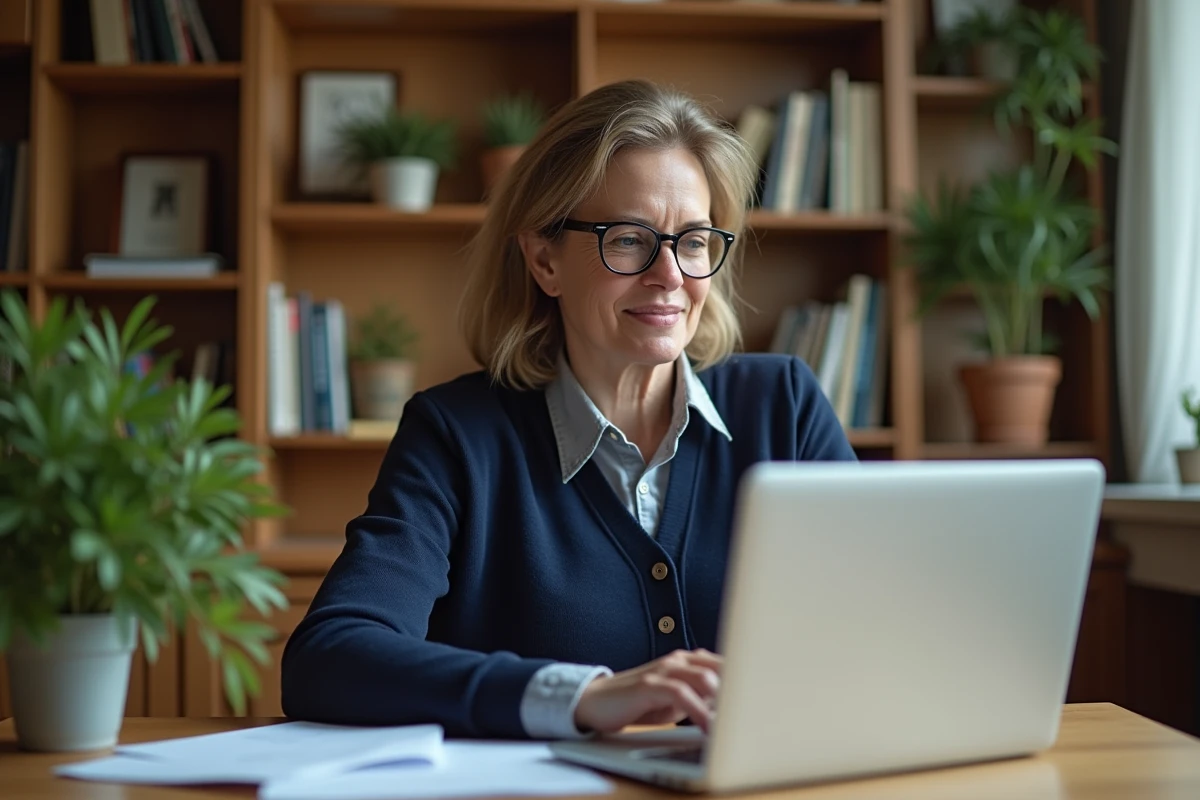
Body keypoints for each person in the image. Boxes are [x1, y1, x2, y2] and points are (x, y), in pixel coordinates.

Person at [280, 78, 857, 741]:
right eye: (630, 239)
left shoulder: (783, 406)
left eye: (693, 241)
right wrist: (580, 696)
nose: (670, 274)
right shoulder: (456, 435)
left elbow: (886, 620)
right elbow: (329, 656)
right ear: (544, 259)